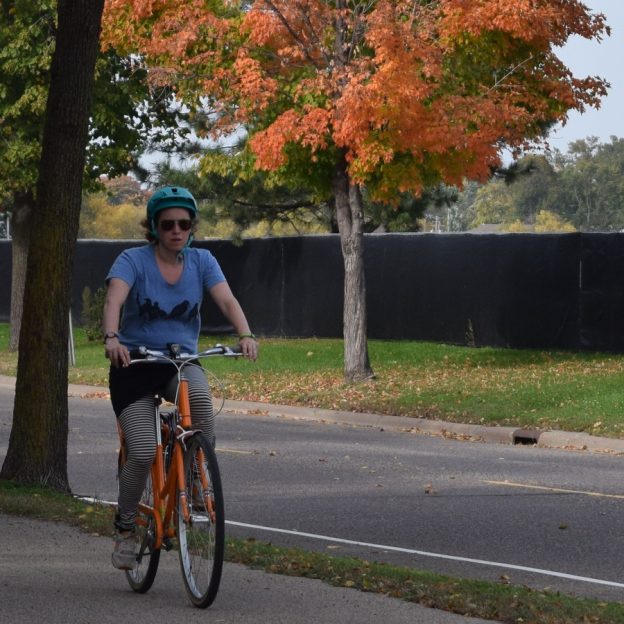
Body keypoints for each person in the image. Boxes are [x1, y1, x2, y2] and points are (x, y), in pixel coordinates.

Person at [103, 185, 258, 570]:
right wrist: (112, 337)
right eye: (167, 223)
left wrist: (246, 333)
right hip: (135, 364)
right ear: (154, 227)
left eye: (184, 224)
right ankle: (125, 527)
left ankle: (194, 474)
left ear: (192, 228)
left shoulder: (203, 261)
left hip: (180, 360)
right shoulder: (132, 260)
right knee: (140, 451)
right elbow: (115, 299)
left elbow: (226, 299)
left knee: (202, 405)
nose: (176, 230)